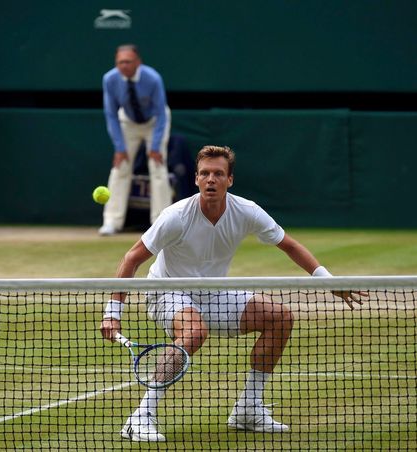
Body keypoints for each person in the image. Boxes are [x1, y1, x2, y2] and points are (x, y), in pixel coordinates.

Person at [100, 145, 368, 442]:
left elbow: (289, 245)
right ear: (196, 179)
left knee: (280, 318)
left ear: (230, 180)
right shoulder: (175, 216)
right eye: (204, 174)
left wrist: (327, 281)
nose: (210, 179)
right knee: (194, 332)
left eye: (218, 174)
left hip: (214, 293)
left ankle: (248, 409)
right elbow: (132, 259)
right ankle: (139, 418)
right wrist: (113, 313)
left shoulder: (246, 211)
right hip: (168, 290)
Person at [99, 44, 172, 236]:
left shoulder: (153, 78)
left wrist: (155, 146)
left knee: (157, 168)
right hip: (128, 122)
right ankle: (112, 222)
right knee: (120, 168)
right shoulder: (110, 79)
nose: (123, 66)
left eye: (128, 62)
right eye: (120, 62)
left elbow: (161, 114)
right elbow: (111, 114)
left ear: (138, 62)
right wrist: (119, 147)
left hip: (155, 121)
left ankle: (160, 223)